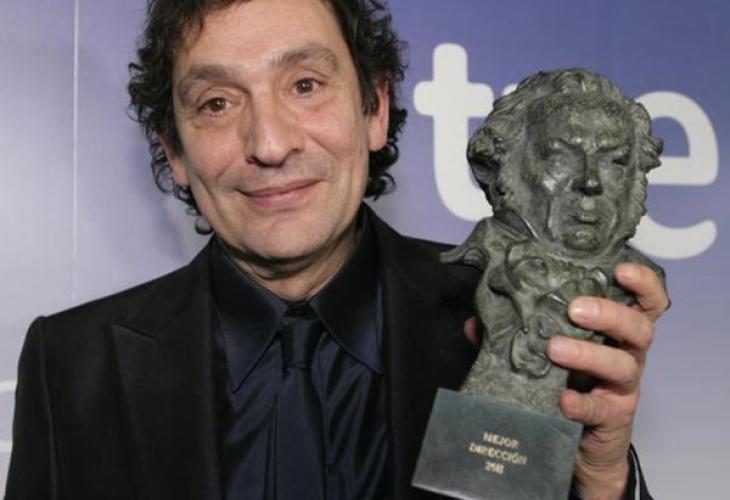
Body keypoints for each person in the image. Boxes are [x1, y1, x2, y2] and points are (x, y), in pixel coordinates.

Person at [5, 1, 669, 500]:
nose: (269, 143)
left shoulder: (511, 315)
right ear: (173, 149)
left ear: (374, 107)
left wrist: (602, 483)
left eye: (304, 85)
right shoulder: (73, 365)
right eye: (216, 102)